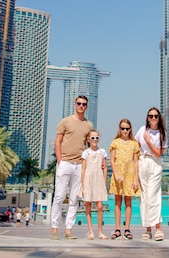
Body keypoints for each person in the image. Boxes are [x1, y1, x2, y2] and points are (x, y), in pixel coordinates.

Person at [50, 95, 93, 241]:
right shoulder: (65, 121)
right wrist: (60, 160)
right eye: (79, 103)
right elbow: (57, 142)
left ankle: (69, 230)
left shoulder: (89, 125)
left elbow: (89, 147)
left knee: (74, 199)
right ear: (75, 104)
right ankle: (54, 229)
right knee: (59, 197)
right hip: (65, 163)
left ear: (87, 107)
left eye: (84, 104)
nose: (81, 106)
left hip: (79, 165)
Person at [135, 107, 167, 241]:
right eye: (151, 116)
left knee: (153, 196)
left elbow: (159, 153)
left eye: (156, 116)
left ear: (159, 118)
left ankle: (158, 228)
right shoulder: (142, 130)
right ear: (147, 118)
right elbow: (135, 147)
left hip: (154, 163)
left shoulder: (162, 133)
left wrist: (148, 141)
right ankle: (148, 229)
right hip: (143, 162)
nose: (153, 118)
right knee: (144, 197)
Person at [108, 118, 140, 240]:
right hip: (118, 174)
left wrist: (135, 179)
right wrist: (115, 174)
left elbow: (136, 163)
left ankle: (127, 229)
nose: (125, 130)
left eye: (127, 128)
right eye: (122, 128)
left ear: (130, 129)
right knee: (117, 201)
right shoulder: (115, 142)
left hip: (130, 175)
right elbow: (111, 160)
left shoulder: (134, 144)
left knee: (128, 202)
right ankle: (117, 229)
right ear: (119, 129)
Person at [80, 129, 108, 240]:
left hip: (99, 179)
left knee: (100, 206)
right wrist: (83, 184)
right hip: (88, 179)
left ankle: (100, 232)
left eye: (97, 138)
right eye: (93, 138)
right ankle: (91, 232)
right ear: (88, 139)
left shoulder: (102, 151)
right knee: (88, 205)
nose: (95, 140)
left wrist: (104, 181)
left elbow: (105, 167)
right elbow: (83, 169)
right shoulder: (86, 153)